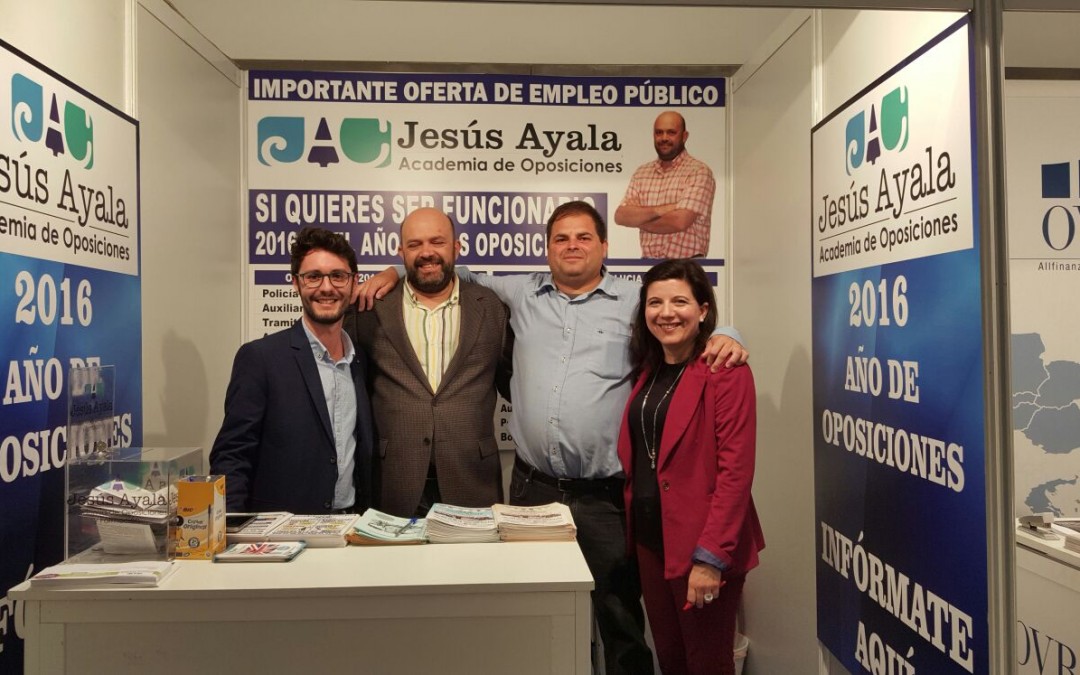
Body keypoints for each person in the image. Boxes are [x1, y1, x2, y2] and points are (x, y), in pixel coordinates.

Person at [357, 201, 747, 675]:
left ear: (605, 246)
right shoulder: (521, 291)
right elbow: (442, 265)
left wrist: (727, 332)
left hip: (606, 497)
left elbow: (686, 315)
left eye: (584, 237)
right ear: (546, 248)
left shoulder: (637, 300)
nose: (572, 246)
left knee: (620, 620)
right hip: (533, 492)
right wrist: (393, 270)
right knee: (536, 615)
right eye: (561, 238)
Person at [619, 259, 763, 675]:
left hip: (701, 546)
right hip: (652, 542)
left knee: (707, 665)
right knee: (671, 660)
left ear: (703, 310)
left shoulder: (726, 371)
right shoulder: (648, 370)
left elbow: (736, 474)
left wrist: (710, 558)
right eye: (655, 303)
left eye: (679, 301)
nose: (666, 313)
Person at [343, 208, 511, 518]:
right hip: (393, 482)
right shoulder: (369, 309)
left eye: (437, 241)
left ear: (456, 247)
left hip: (472, 479)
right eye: (415, 244)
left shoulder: (491, 307)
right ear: (401, 252)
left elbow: (513, 385)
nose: (426, 252)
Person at [210, 227, 374, 514]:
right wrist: (230, 526)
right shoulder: (260, 358)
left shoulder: (361, 359)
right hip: (280, 531)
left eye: (338, 276)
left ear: (353, 282)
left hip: (350, 525)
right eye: (313, 277)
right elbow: (232, 454)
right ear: (296, 283)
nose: (326, 287)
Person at [614, 111, 716, 259]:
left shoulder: (699, 171)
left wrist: (640, 220)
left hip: (686, 265)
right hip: (647, 265)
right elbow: (621, 216)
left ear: (684, 136)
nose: (664, 138)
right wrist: (663, 209)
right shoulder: (642, 173)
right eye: (659, 132)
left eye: (671, 132)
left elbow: (679, 222)